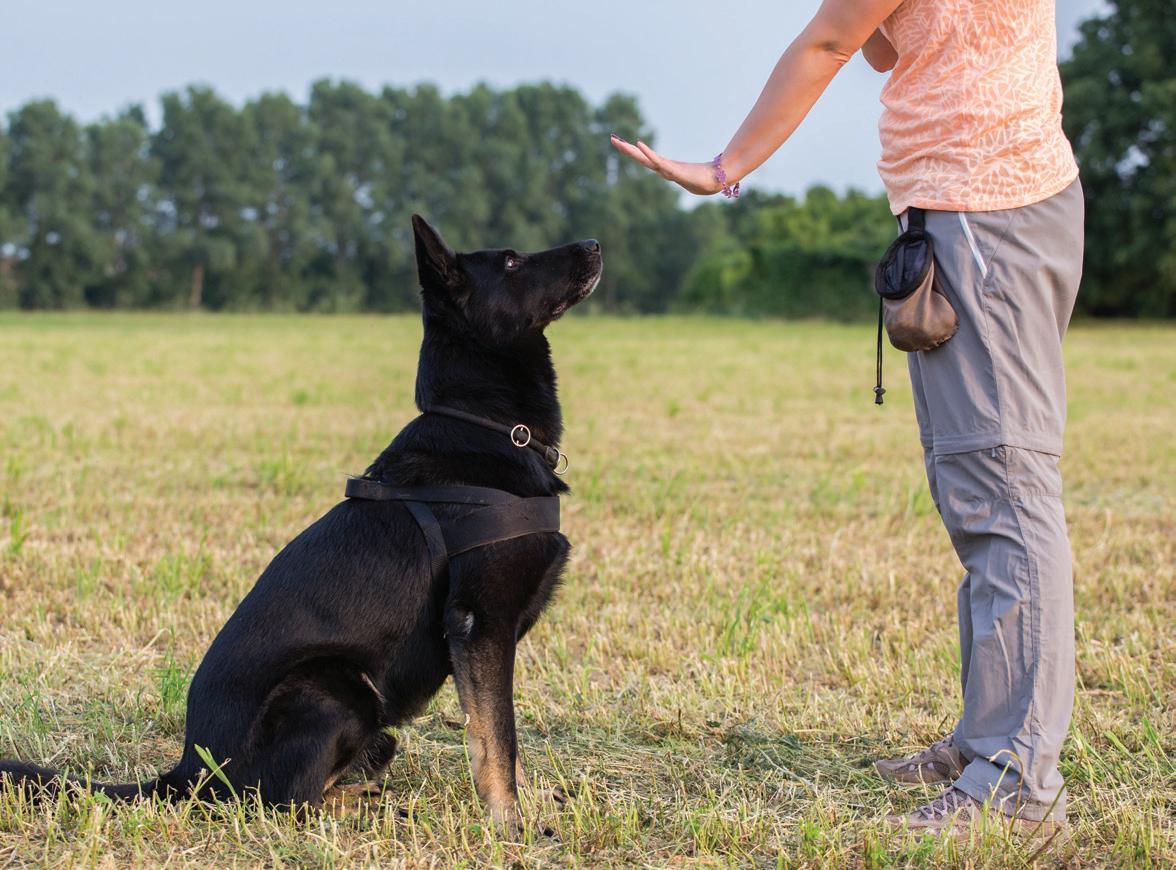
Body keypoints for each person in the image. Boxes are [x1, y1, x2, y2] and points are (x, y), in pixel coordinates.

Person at [612, 0, 1082, 838]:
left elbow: (831, 41)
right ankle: (987, 741)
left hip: (983, 212)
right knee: (980, 490)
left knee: (1005, 493)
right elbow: (882, 47)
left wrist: (725, 168)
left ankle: (1017, 783)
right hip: (986, 205)